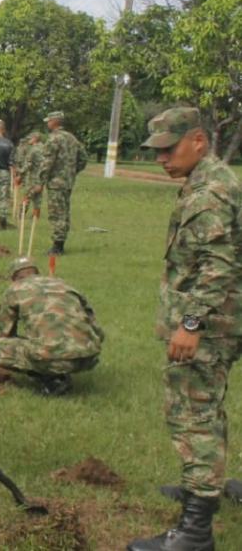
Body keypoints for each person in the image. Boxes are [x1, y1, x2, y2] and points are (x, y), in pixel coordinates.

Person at [128, 107, 242, 551]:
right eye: (155, 151)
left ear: (198, 140)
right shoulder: (211, 179)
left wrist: (191, 323)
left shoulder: (208, 193)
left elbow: (218, 263)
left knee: (193, 416)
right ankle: (203, 489)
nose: (160, 159)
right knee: (208, 411)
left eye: (168, 149)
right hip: (224, 317)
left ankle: (195, 531)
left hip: (211, 324)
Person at [0, 257, 104, 396]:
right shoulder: (65, 285)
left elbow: (5, 333)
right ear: (37, 272)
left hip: (52, 358)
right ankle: (58, 372)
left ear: (14, 278)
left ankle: (51, 379)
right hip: (88, 357)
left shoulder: (14, 289)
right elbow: (98, 331)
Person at [33, 111, 87, 256]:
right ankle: (61, 242)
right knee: (64, 212)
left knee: (56, 213)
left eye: (49, 121)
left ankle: (57, 246)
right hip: (68, 182)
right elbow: (83, 158)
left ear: (55, 122)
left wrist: (40, 182)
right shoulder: (72, 138)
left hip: (56, 183)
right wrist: (72, 172)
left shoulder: (53, 139)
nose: (47, 123)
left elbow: (47, 163)